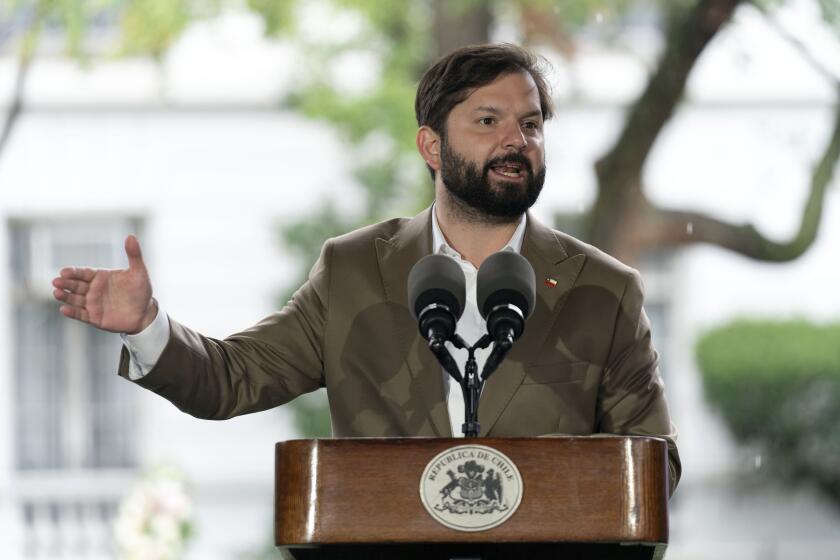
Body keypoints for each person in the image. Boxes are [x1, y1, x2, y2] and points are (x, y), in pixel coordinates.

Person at [52, 44, 680, 495]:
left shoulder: (605, 288)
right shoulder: (352, 270)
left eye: (532, 124)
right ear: (432, 146)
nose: (516, 140)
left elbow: (654, 466)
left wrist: (552, 497)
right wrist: (148, 327)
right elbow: (232, 378)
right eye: (489, 121)